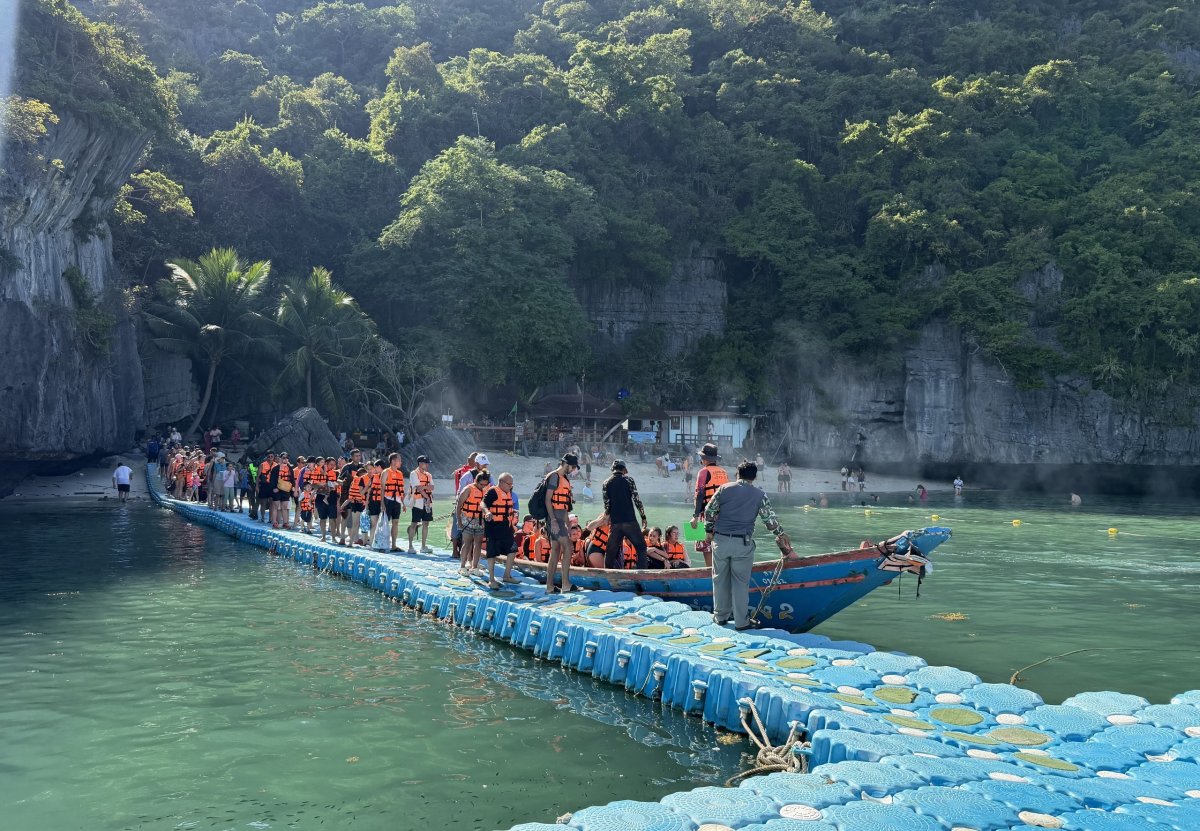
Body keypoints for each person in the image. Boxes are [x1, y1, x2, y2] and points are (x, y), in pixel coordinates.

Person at [703, 460, 795, 629]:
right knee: (740, 582)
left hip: (721, 541)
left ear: (737, 474)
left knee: (719, 579)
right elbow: (769, 520)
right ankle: (741, 622)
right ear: (755, 476)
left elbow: (709, 511)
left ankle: (720, 617)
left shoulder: (724, 489)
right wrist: (780, 533)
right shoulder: (759, 495)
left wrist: (709, 530)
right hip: (742, 543)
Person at [601, 459, 648, 570]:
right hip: (630, 521)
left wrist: (607, 516)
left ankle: (606, 575)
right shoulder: (629, 480)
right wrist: (643, 516)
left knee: (610, 552)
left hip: (616, 523)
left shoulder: (606, 483)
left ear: (612, 469)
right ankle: (642, 575)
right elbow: (637, 500)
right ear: (624, 469)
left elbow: (607, 505)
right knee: (641, 548)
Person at [543, 453, 579, 592]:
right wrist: (553, 520)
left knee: (556, 551)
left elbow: (563, 505)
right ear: (566, 464)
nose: (574, 469)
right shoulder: (554, 476)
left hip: (560, 518)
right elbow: (548, 499)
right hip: (553, 519)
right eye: (573, 466)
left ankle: (550, 586)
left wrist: (568, 523)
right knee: (568, 547)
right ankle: (565, 584)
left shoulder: (564, 479)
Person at [690, 444, 728, 567]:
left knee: (705, 547)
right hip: (723, 516)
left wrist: (695, 516)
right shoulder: (724, 472)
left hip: (706, 514)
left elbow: (700, 494)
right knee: (720, 546)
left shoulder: (703, 472)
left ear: (704, 459)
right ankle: (721, 571)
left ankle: (709, 571)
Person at [481, 472, 519, 589]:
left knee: (513, 549)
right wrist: (487, 512)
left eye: (512, 484)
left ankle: (507, 575)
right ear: (501, 482)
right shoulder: (493, 491)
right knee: (491, 554)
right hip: (494, 527)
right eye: (509, 484)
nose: (511, 486)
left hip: (506, 527)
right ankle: (491, 580)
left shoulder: (508, 492)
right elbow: (483, 503)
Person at [456, 469, 490, 575]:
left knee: (478, 544)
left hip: (480, 520)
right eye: (481, 484)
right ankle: (462, 566)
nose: (482, 487)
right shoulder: (468, 489)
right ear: (476, 480)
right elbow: (459, 505)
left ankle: (474, 567)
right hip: (467, 519)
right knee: (467, 543)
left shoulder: (487, 490)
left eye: (485, 484)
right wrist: (459, 521)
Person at [407, 455, 434, 553]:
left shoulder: (429, 475)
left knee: (426, 523)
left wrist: (424, 488)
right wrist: (426, 494)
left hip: (427, 502)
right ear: (420, 464)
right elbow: (418, 488)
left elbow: (432, 487)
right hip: (417, 501)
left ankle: (423, 546)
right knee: (414, 523)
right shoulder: (414, 474)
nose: (427, 465)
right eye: (426, 463)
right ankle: (410, 546)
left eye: (427, 463)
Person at [382, 452, 407, 552]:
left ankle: (394, 545)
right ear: (393, 461)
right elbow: (382, 488)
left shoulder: (400, 473)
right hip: (387, 500)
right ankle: (383, 544)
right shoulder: (386, 472)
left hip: (397, 501)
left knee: (395, 522)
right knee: (385, 523)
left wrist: (403, 503)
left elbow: (401, 490)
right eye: (399, 460)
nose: (400, 462)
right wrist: (382, 503)